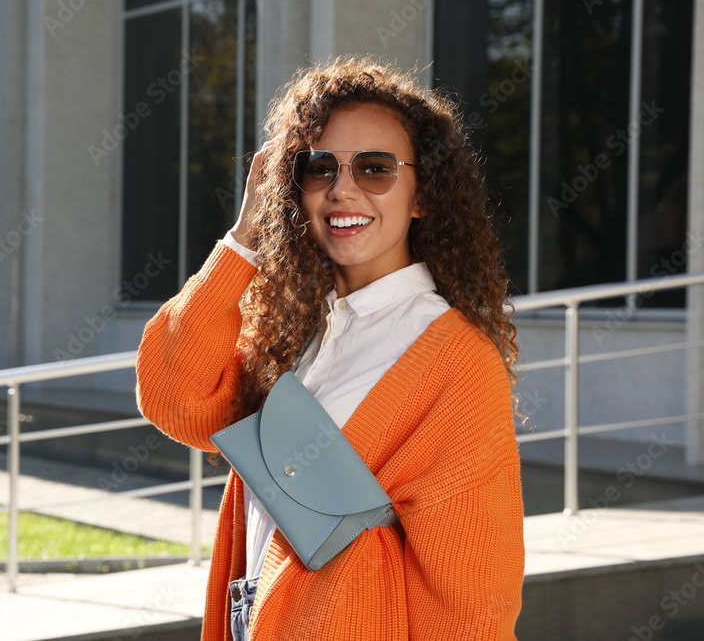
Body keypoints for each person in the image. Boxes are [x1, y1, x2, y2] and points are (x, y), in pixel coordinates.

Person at [135, 56, 525, 640]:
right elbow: (175, 399)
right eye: (320, 168)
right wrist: (245, 238)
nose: (343, 189)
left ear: (423, 196)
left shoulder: (455, 363)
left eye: (375, 169)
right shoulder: (296, 333)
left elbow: (474, 599)